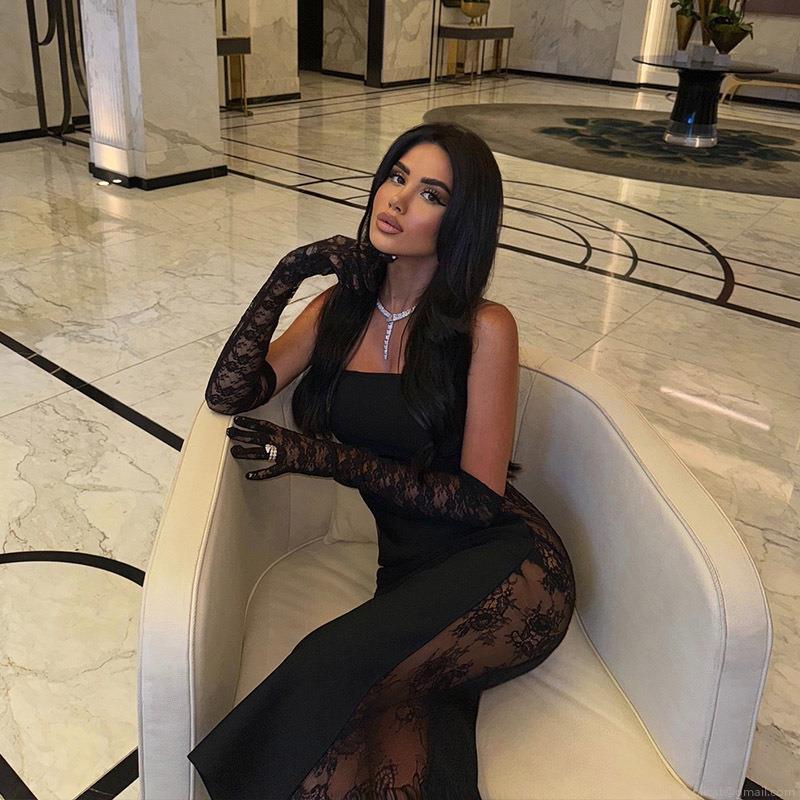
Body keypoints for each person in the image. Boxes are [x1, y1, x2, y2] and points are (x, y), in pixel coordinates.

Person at [187, 122, 576, 799]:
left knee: (331, 661)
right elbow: (230, 392)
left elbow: (476, 500)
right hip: (407, 569)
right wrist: (291, 270)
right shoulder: (338, 310)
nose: (396, 200)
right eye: (396, 176)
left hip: (506, 567)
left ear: (461, 223)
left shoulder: (484, 327)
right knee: (385, 720)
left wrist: (325, 458)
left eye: (430, 194)